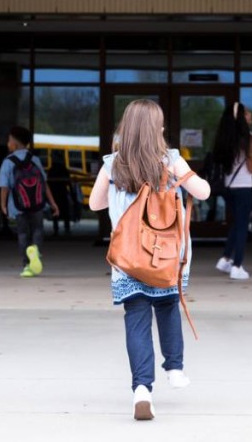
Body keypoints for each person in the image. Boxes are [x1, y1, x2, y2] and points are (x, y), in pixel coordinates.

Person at [88, 99, 211, 421]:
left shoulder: (112, 164)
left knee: (137, 319)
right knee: (168, 306)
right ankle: (174, 367)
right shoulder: (171, 160)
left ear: (125, 129)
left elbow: (95, 204)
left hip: (128, 257)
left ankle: (142, 390)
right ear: (156, 128)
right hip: (167, 255)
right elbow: (204, 192)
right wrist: (177, 176)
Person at [0, 126, 60, 278]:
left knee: (22, 233)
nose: (8, 144)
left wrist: (3, 205)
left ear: (13, 143)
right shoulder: (35, 160)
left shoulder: (8, 162)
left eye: (9, 141)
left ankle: (26, 265)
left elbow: (4, 187)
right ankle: (36, 252)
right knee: (38, 230)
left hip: (18, 206)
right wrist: (53, 203)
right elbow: (44, 184)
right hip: (37, 204)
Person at [212, 101, 252, 280]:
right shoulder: (247, 139)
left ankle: (225, 259)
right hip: (243, 187)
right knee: (242, 226)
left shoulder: (225, 139)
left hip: (228, 187)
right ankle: (237, 265)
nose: (250, 116)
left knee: (236, 223)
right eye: (247, 113)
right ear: (241, 117)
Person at [47, 151, 76, 236]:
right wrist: (72, 193)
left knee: (55, 211)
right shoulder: (63, 169)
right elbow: (68, 182)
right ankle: (67, 228)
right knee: (65, 210)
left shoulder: (52, 169)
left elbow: (48, 183)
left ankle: (56, 229)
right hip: (62, 192)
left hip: (54, 193)